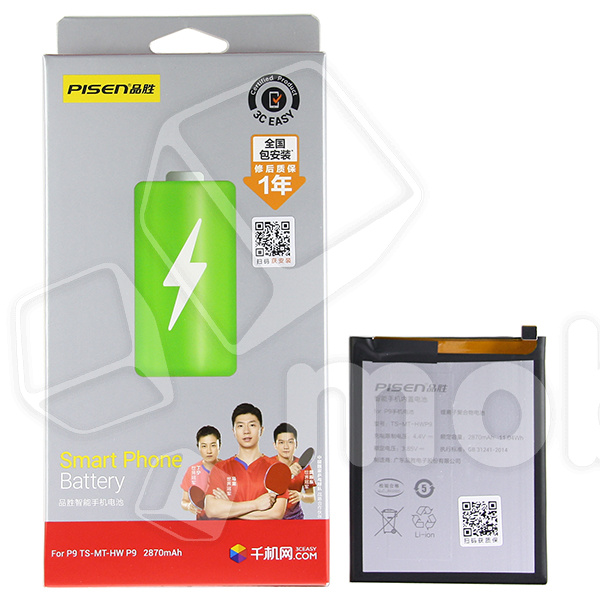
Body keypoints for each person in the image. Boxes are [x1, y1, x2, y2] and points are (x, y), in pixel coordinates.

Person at [204, 403, 288, 520]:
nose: (246, 431)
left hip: (266, 532)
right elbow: (212, 510)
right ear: (234, 431)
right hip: (231, 532)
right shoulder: (220, 468)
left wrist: (230, 509)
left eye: (252, 425)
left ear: (261, 430)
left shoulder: (277, 467)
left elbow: (276, 514)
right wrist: (256, 504)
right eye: (240, 426)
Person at [272, 422, 316, 519]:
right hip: (272, 517)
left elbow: (312, 497)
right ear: (275, 445)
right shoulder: (267, 464)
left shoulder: (305, 466)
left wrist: (301, 496)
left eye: (290, 442)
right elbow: (264, 492)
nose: (286, 446)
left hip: (296, 517)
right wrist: (287, 473)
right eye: (281, 442)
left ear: (296, 444)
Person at [180, 425, 222, 519]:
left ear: (219, 445)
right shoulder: (192, 470)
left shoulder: (229, 469)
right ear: (198, 447)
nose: (209, 451)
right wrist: (188, 506)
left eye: (213, 445)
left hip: (226, 522)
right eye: (204, 446)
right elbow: (184, 501)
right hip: (202, 523)